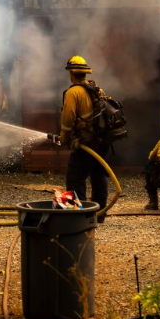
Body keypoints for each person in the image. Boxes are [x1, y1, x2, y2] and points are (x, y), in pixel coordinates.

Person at [59, 55, 111, 222]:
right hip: (101, 142)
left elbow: (67, 120)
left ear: (71, 73)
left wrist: (65, 138)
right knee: (98, 176)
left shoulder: (73, 93)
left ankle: (76, 217)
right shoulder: (96, 89)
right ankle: (99, 214)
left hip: (85, 143)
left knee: (74, 178)